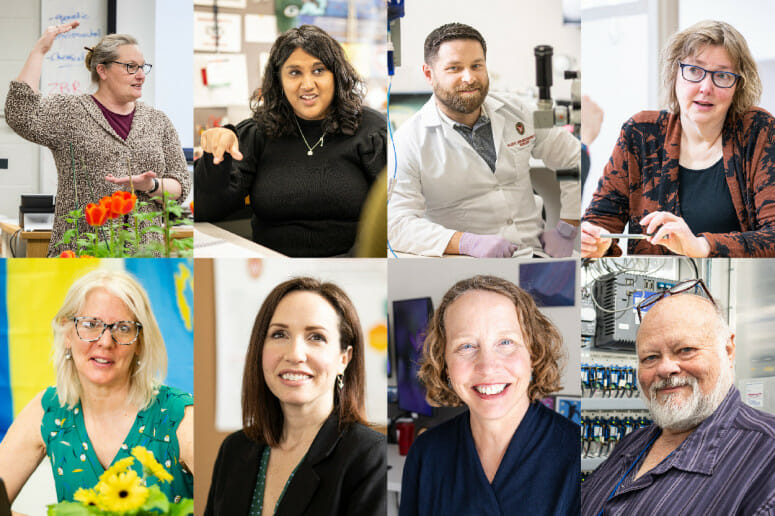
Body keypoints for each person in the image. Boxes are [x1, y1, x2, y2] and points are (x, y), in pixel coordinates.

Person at [0, 270, 194, 507]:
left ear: (140, 342)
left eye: (123, 328)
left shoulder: (179, 417)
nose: (105, 341)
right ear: (67, 333)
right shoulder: (51, 409)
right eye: (91, 325)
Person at [581, 20, 775, 258]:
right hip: (654, 294)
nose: (706, 87)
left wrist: (700, 246)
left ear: (739, 85)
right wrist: (594, 243)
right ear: (675, 74)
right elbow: (599, 221)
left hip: (738, 291)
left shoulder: (758, 131)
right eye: (694, 71)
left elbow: (773, 236)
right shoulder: (641, 134)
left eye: (722, 75)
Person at [387, 23, 581, 258]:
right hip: (465, 261)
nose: (469, 78)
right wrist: (466, 243)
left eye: (476, 65)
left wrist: (567, 229)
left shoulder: (517, 111)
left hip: (537, 253)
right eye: (454, 68)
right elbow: (396, 224)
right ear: (429, 74)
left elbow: (572, 156)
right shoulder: (407, 141)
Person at [195, 25, 386, 257]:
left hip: (353, 262)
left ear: (336, 75)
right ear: (279, 81)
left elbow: (394, 215)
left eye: (318, 71)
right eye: (294, 72)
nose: (307, 84)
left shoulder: (372, 131)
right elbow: (208, 211)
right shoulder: (257, 132)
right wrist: (216, 156)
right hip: (272, 262)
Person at [581, 287, 775, 515]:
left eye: (685, 350)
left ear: (728, 351)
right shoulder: (632, 444)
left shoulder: (766, 456)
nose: (665, 369)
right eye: (650, 357)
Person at [4, 23, 191, 257]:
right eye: (131, 67)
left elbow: (181, 185)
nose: (141, 75)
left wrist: (149, 185)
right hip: (81, 252)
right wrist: (40, 50)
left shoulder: (158, 121)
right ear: (102, 70)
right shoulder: (70, 111)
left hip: (144, 256)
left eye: (143, 67)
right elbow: (21, 114)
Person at [204, 278, 386, 515]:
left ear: (344, 358)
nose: (295, 354)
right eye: (279, 334)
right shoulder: (235, 449)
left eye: (316, 337)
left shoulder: (369, 457)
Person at [399, 275, 579, 515]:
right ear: (444, 363)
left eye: (505, 342)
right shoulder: (425, 454)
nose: (487, 366)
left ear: (533, 353)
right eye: (466, 346)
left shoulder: (575, 457)